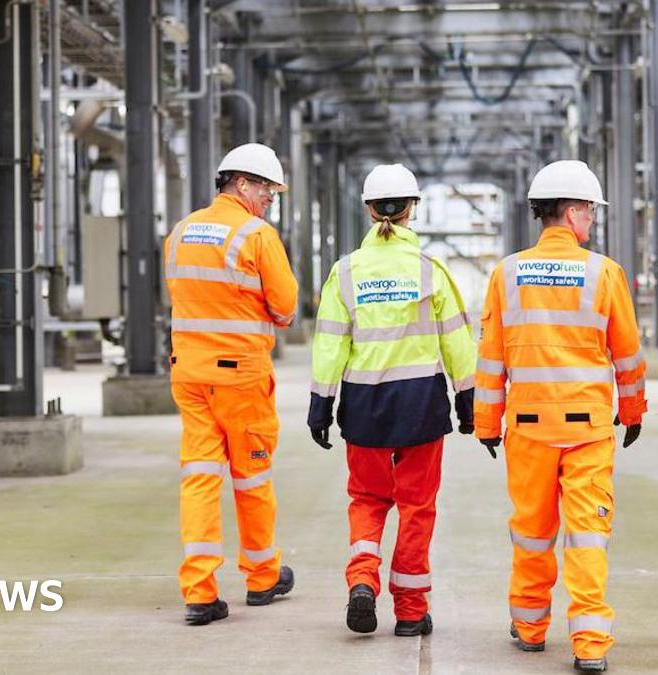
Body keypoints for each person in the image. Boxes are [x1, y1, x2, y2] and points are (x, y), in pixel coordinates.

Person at [474, 160, 646, 673]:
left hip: (528, 426)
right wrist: (633, 412)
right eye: (589, 210)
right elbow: (627, 355)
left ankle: (530, 626)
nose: (592, 219)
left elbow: (491, 357)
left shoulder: (507, 273)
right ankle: (590, 642)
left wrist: (487, 423)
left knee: (531, 530)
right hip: (588, 428)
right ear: (571, 212)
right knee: (588, 534)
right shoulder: (604, 273)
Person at [308, 163, 477, 637]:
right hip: (421, 406)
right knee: (417, 507)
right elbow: (458, 343)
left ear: (368, 209)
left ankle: (363, 578)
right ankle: (410, 611)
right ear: (412, 209)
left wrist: (321, 406)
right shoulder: (430, 271)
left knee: (367, 499)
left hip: (364, 407)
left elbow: (330, 344)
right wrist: (468, 403)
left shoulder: (345, 272)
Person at [164, 142, 299, 626]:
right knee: (252, 476)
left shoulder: (181, 232)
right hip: (240, 376)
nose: (269, 201)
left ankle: (199, 592)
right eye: (267, 191)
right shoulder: (256, 235)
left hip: (190, 373)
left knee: (200, 476)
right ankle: (262, 577)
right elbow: (285, 308)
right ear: (242, 183)